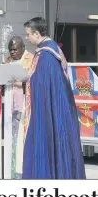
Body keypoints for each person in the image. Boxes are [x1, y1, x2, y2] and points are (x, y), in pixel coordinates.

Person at [22, 17, 85, 179]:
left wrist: (23, 81)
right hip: (59, 105)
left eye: (28, 34)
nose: (26, 38)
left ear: (36, 34)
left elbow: (41, 84)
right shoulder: (51, 49)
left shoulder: (46, 56)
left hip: (50, 108)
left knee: (48, 143)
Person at [0, 36, 34, 179]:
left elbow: (35, 81)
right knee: (8, 138)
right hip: (7, 107)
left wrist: (23, 82)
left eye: (15, 49)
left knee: (21, 140)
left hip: (23, 108)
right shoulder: (7, 61)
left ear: (23, 48)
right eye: (10, 50)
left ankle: (20, 170)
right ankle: (5, 169)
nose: (12, 52)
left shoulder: (31, 60)